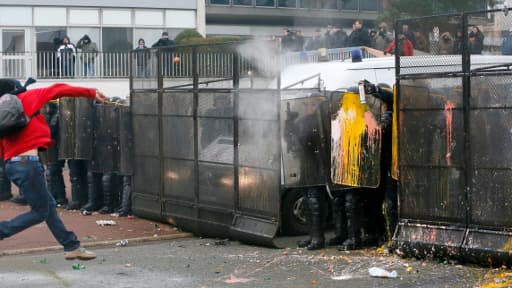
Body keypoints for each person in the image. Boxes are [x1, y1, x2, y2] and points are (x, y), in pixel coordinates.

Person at [0, 79, 107, 260]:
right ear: (16, 89)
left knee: (48, 206)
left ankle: (71, 245)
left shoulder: (2, 114)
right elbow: (58, 89)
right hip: (29, 163)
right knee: (40, 212)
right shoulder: (27, 97)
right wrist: (90, 92)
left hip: (13, 165)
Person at [42, 101, 68, 207]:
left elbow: (50, 130)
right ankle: (56, 196)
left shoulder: (55, 116)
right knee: (53, 173)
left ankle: (59, 197)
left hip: (56, 149)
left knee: (53, 173)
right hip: (53, 149)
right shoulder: (54, 115)